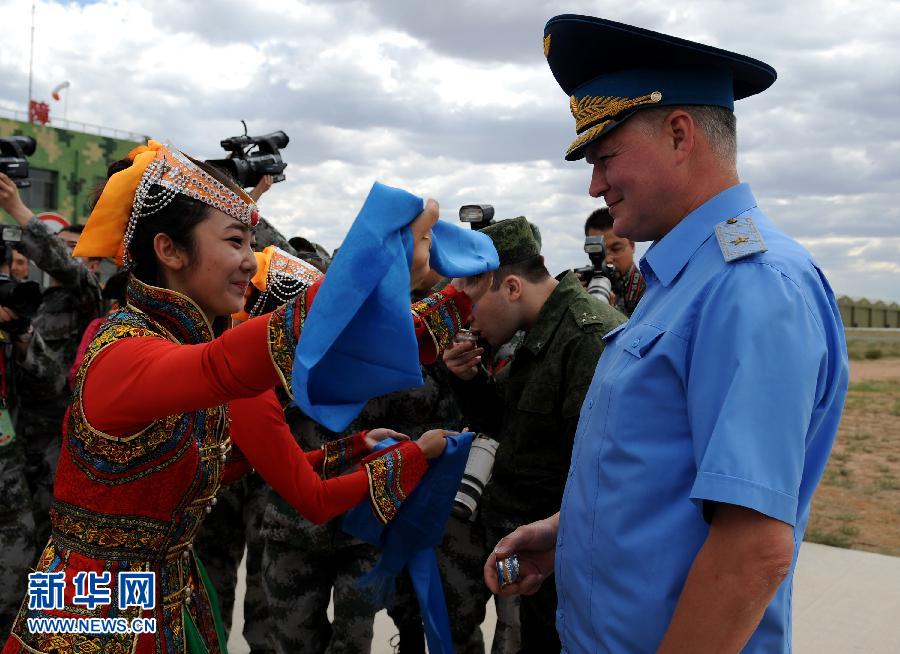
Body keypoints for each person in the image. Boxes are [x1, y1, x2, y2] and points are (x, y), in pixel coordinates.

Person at [1, 140, 482, 654]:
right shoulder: (124, 352)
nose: (251, 263)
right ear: (170, 250)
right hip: (90, 607)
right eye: (235, 242)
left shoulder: (185, 345)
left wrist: (459, 296)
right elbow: (230, 365)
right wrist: (381, 260)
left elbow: (273, 422)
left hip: (165, 593)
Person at [486, 15, 849, 653]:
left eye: (604, 158)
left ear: (680, 134)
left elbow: (751, 551)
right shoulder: (686, 280)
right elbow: (663, 476)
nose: (594, 185)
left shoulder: (751, 287)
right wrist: (567, 537)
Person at [443, 216, 624, 653]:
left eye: (471, 304)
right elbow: (509, 424)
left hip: (564, 561)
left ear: (511, 288)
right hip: (532, 551)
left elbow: (601, 475)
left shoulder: (585, 338)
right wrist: (468, 380)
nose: (467, 321)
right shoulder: (543, 331)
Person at [0, 172, 104, 549]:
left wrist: (16, 208)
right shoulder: (34, 301)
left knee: (51, 539)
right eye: (60, 246)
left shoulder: (89, 297)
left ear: (92, 263)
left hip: (60, 443)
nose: (63, 253)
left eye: (75, 248)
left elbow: (67, 267)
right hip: (21, 433)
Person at [584, 207, 645, 315]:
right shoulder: (584, 285)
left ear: (632, 245)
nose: (608, 259)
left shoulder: (650, 291)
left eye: (616, 249)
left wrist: (612, 314)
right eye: (598, 251)